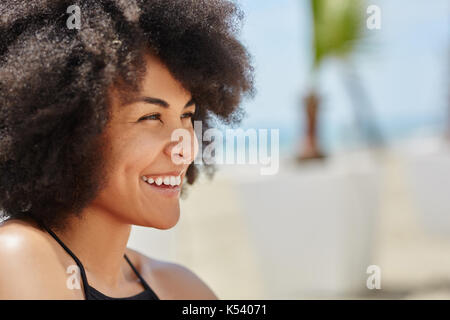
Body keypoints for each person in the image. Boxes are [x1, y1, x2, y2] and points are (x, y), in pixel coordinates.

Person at [0, 0, 254, 300]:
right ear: (72, 130)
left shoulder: (179, 287)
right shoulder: (17, 257)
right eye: (150, 117)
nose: (185, 149)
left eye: (186, 115)